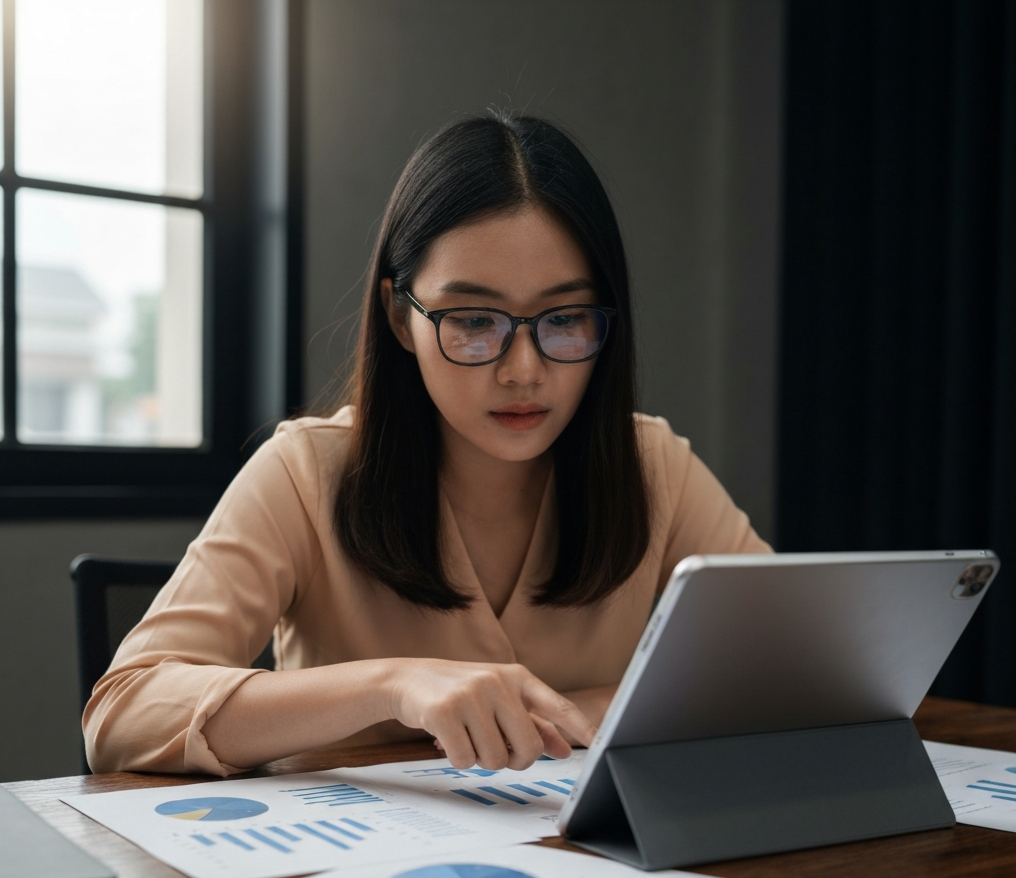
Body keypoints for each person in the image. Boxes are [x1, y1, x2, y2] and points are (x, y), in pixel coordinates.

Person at [84, 112, 770, 777]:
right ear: (399, 315)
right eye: (473, 320)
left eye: (564, 318)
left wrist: (602, 705)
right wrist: (391, 685)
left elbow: (802, 666)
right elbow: (122, 714)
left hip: (595, 868)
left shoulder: (653, 465)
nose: (524, 369)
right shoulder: (307, 471)